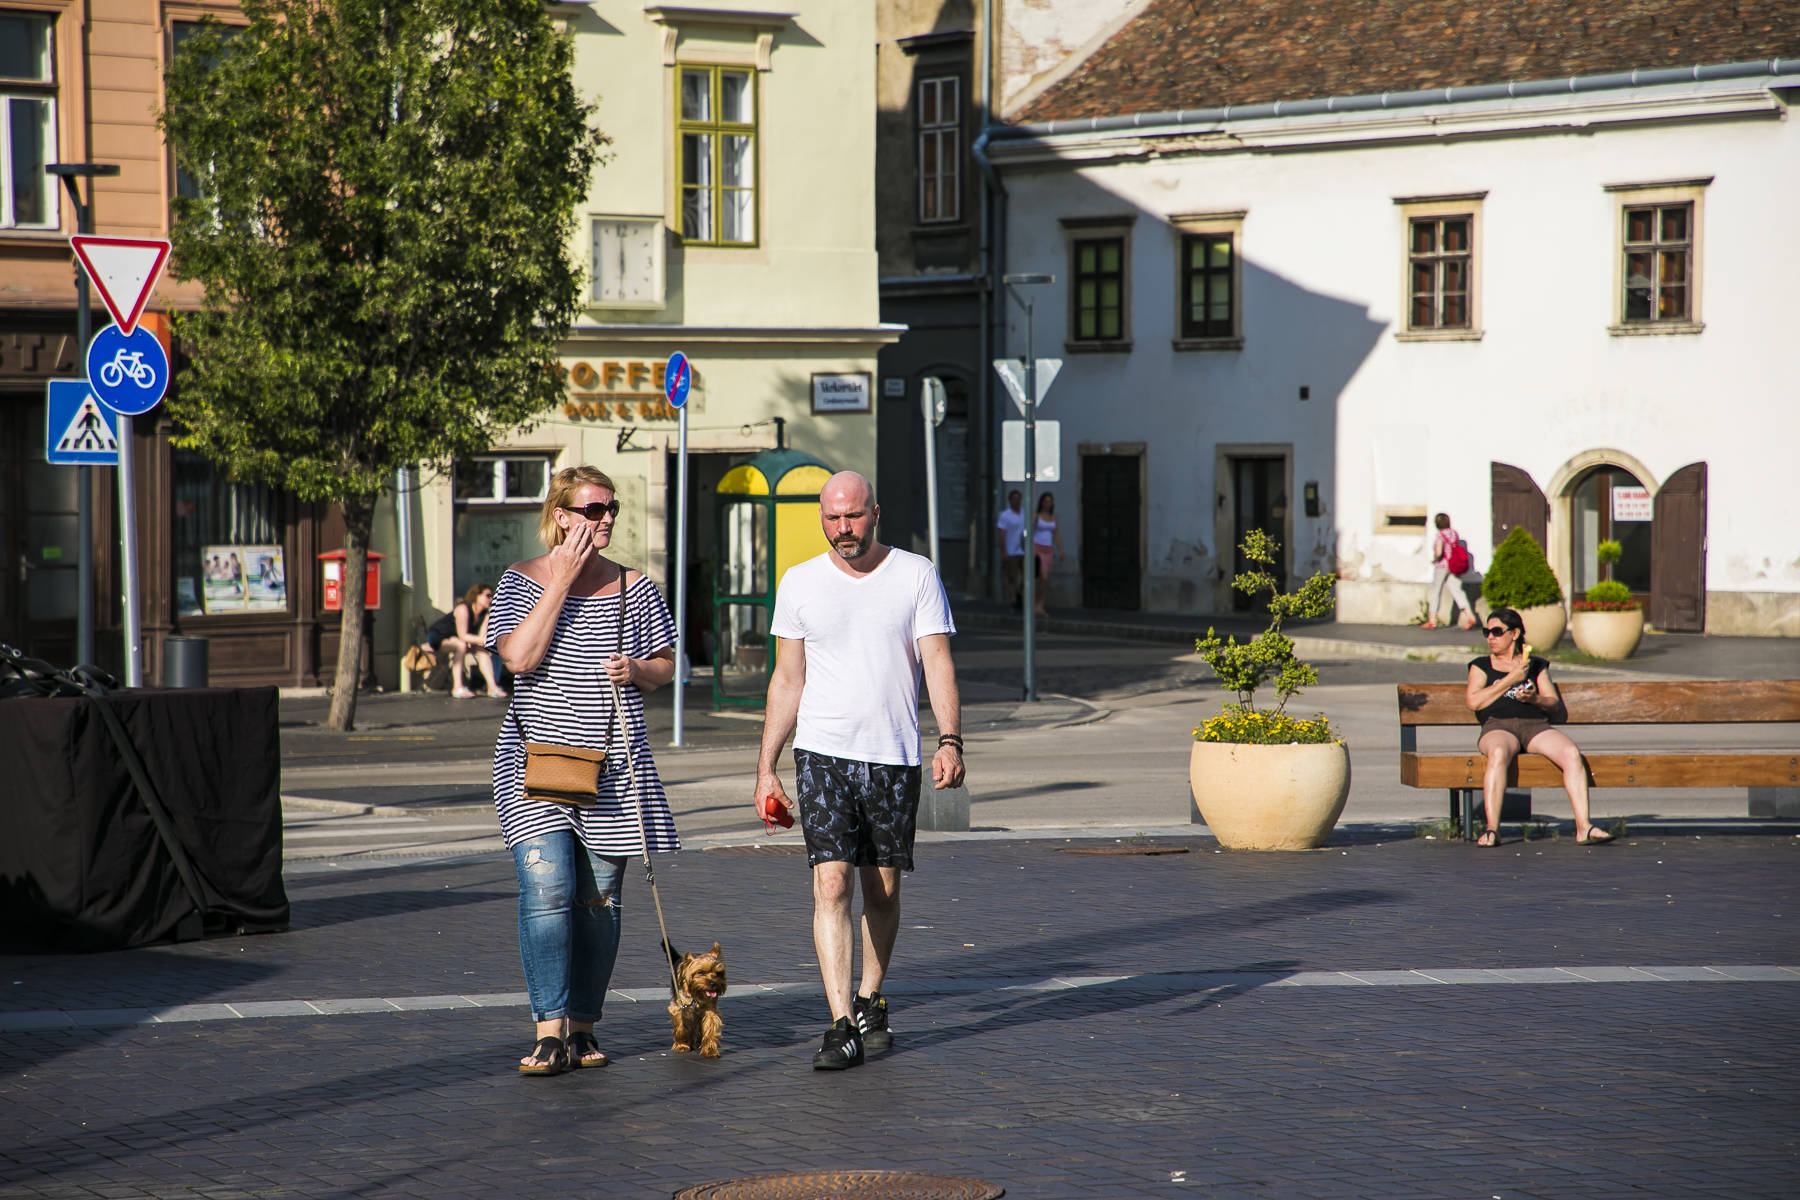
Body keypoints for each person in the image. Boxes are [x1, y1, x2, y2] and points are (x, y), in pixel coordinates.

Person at [756, 470, 964, 1071]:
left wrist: (949, 740)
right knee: (832, 882)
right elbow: (787, 680)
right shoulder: (798, 583)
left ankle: (872, 997)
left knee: (883, 888)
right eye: (832, 518)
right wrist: (767, 766)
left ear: (876, 512)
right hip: (822, 753)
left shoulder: (915, 574)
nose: (842, 528)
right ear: (820, 518)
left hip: (894, 754)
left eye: (852, 516)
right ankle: (841, 1021)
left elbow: (938, 663)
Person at [486, 465, 681, 1076]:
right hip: (535, 766)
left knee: (600, 901)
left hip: (614, 771)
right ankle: (548, 1030)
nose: (605, 520)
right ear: (562, 515)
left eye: (611, 508)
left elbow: (669, 665)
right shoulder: (521, 580)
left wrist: (639, 672)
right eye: (592, 509)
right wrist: (561, 581)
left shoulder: (636, 588)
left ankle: (583, 1027)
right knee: (547, 893)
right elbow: (518, 658)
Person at [1465, 606, 1615, 848]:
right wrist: (1510, 680)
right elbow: (1474, 701)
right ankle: (1492, 829)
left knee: (1570, 753)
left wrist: (1533, 699)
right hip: (1498, 727)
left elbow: (1553, 703)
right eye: (1487, 632)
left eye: (1496, 631)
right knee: (1499, 752)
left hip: (1534, 726)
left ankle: (1584, 827)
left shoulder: (1534, 665)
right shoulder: (1481, 665)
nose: (1490, 637)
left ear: (1514, 634)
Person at [428, 583, 507, 699]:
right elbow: (463, 635)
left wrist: (487, 639)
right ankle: (457, 687)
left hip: (461, 640)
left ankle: (492, 687)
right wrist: (485, 640)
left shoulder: (485, 614)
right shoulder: (463, 609)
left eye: (492, 596)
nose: (491, 599)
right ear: (476, 596)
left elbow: (481, 637)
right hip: (439, 637)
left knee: (481, 649)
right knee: (461, 645)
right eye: (487, 595)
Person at [1426, 512, 1478, 630]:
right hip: (1453, 566)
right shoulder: (1454, 533)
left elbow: (1439, 552)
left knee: (1435, 590)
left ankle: (1432, 619)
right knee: (1456, 590)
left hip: (1442, 566)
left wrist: (1434, 559)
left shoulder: (1440, 535)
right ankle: (1470, 616)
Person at [1030, 491, 1065, 616]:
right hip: (1037, 548)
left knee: (1044, 579)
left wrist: (1060, 550)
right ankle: (1033, 604)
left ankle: (1039, 604)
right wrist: (1031, 548)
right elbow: (1030, 532)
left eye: (1050, 501)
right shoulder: (1036, 516)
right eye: (1045, 501)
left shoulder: (1053, 517)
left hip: (1048, 549)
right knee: (1040, 577)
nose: (1047, 503)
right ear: (1041, 502)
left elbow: (1056, 534)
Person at [996, 489, 1026, 611]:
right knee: (1012, 577)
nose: (1016, 501)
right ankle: (1013, 601)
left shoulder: (1025, 513)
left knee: (1025, 577)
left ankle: (1020, 595)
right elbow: (1001, 534)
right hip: (1011, 550)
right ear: (1010, 501)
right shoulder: (1005, 515)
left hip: (1023, 551)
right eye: (1014, 499)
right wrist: (1004, 551)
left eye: (1018, 499)